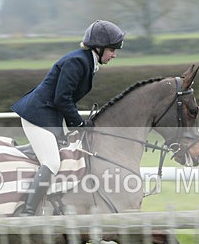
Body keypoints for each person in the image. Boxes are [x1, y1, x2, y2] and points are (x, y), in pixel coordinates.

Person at [11, 19, 125, 216]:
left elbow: (64, 99)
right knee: (52, 162)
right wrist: (80, 123)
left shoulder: (87, 62)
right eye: (112, 49)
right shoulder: (77, 61)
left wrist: (79, 124)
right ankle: (27, 213)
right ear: (98, 47)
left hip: (49, 115)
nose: (114, 54)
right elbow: (62, 99)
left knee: (68, 151)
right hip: (36, 115)